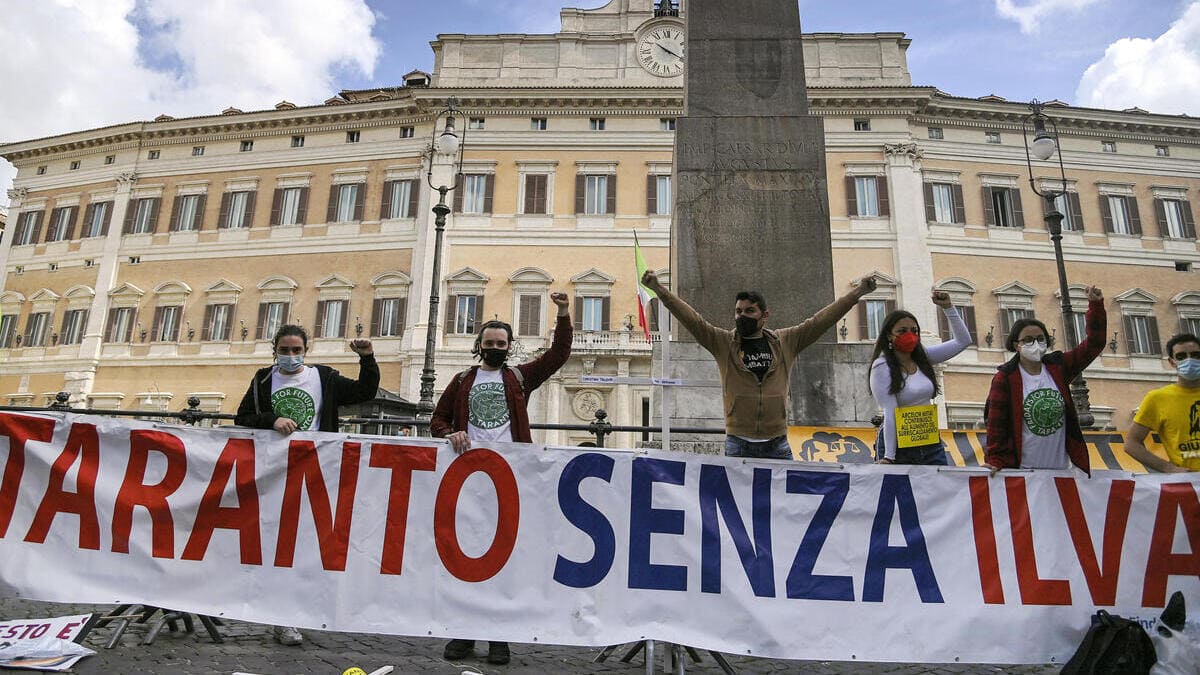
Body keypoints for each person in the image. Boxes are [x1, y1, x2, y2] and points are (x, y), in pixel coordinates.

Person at [432, 291, 571, 665]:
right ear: (479, 346)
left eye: (501, 343)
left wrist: (562, 313)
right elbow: (438, 419)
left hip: (510, 479)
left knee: (503, 560)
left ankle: (498, 638)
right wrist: (450, 433)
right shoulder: (462, 380)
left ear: (510, 347)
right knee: (466, 560)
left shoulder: (520, 377)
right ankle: (463, 634)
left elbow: (558, 356)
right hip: (469, 481)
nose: (495, 347)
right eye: (489, 343)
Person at [234, 324, 379, 646]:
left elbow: (364, 393)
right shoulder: (262, 380)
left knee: (309, 546)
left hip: (317, 471)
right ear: (275, 351)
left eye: (296, 350)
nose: (290, 356)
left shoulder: (323, 378)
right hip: (273, 473)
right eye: (284, 351)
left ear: (306, 351)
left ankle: (299, 612)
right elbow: (242, 417)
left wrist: (367, 358)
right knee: (277, 545)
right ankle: (280, 616)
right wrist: (271, 419)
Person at [641, 270, 877, 459]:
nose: (742, 315)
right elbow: (692, 319)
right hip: (737, 444)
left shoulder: (786, 341)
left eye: (749, 311)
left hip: (778, 444)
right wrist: (659, 289)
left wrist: (858, 293)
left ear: (764, 316)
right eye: (738, 311)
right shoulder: (723, 343)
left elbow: (821, 320)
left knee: (784, 510)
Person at [984, 286, 1106, 473]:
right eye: (1028, 340)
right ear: (1017, 345)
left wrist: (1095, 306)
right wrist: (995, 459)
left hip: (1062, 470)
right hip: (1023, 471)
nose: (1036, 344)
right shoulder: (1005, 378)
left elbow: (1094, 345)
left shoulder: (1058, 367)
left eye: (1040, 338)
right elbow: (995, 424)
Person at [869, 291, 972, 465]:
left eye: (914, 331)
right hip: (898, 445)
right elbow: (890, 411)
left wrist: (948, 308)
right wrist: (889, 457)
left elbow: (963, 341)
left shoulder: (924, 357)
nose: (909, 335)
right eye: (902, 331)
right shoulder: (882, 366)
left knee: (937, 490)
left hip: (929, 441)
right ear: (889, 335)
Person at [1122, 333, 1200, 473]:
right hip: (1188, 486)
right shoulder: (1157, 399)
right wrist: (1168, 468)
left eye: (1195, 355)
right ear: (1171, 362)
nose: (1190, 360)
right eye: (1181, 357)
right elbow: (1131, 443)